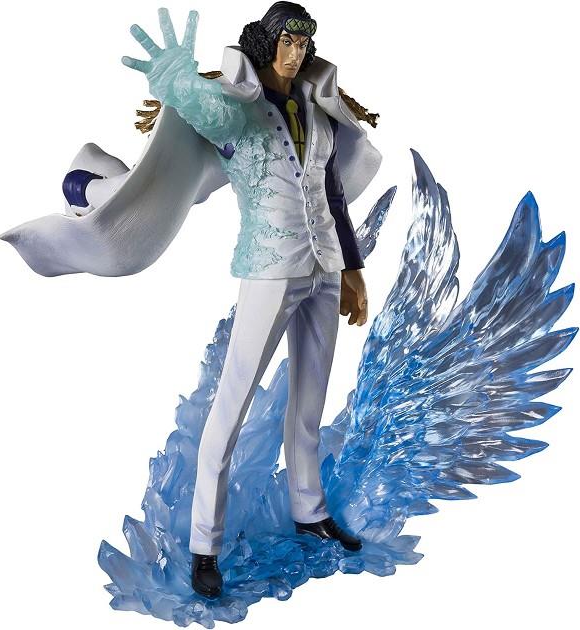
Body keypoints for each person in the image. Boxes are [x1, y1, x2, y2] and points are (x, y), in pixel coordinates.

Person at [119, 2, 381, 598]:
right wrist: (176, 80)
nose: (295, 53)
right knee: (231, 404)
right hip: (269, 269)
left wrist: (352, 268)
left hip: (322, 269)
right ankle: (203, 545)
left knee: (309, 401)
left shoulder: (315, 108)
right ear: (266, 43)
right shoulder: (238, 108)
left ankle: (309, 511)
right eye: (286, 41)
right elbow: (207, 110)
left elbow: (332, 193)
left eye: (303, 44)